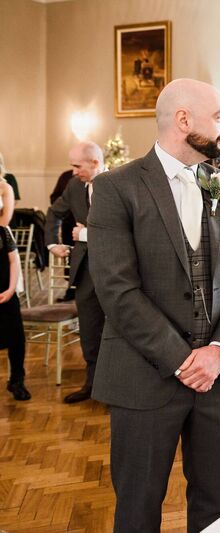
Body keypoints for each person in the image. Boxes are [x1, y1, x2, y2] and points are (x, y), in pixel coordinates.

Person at [88, 78, 220, 532]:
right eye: (219, 116)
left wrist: (218, 350)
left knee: (213, 507)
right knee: (138, 511)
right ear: (184, 120)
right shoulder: (115, 188)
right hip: (144, 379)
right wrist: (185, 361)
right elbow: (117, 292)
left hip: (219, 379)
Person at [46, 142, 106, 403]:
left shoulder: (118, 183)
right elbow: (53, 212)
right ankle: (91, 386)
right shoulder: (73, 186)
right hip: (85, 271)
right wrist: (52, 243)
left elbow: (130, 228)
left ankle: (115, 391)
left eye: (77, 166)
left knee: (118, 331)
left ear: (94, 162)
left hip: (118, 271)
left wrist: (85, 233)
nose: (73, 172)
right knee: (90, 330)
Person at [0, 225, 29, 401]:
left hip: (6, 293)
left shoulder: (3, 232)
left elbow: (14, 261)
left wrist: (11, 289)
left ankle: (17, 380)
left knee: (16, 338)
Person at [50, 169, 78, 301]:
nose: (76, 170)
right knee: (69, 258)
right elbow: (54, 197)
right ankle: (71, 290)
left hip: (84, 226)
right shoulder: (65, 176)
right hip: (69, 223)